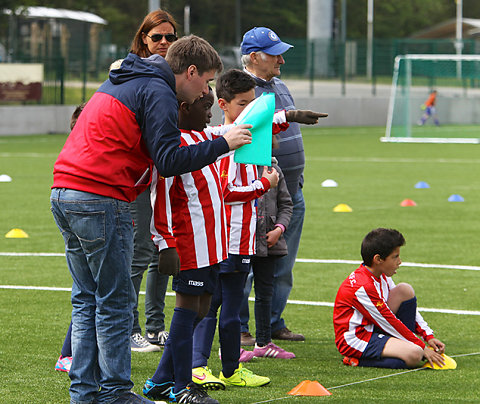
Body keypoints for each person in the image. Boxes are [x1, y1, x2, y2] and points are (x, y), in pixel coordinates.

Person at [50, 35, 252, 404]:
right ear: (190, 72)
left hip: (64, 190)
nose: (203, 92)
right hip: (101, 196)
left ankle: (83, 394)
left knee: (87, 300)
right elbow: (169, 159)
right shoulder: (158, 89)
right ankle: (113, 393)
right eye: (205, 82)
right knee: (114, 302)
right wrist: (225, 145)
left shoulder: (126, 77)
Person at [143, 88, 234, 403]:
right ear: (184, 108)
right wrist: (165, 242)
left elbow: (233, 128)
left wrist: (286, 117)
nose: (210, 113)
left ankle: (158, 381)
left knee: (202, 309)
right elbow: (162, 199)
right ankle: (182, 387)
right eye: (205, 106)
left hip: (211, 244)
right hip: (188, 245)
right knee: (186, 310)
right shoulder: (173, 146)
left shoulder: (202, 136)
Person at [240, 27, 328, 343]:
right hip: (258, 194)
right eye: (274, 53)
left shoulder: (278, 84)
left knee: (283, 264)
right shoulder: (243, 90)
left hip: (290, 192)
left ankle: (274, 323)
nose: (281, 59)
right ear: (254, 56)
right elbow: (251, 129)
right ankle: (241, 329)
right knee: (248, 265)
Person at [128, 8, 179, 353]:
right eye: (156, 36)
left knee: (163, 246)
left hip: (167, 172)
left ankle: (156, 326)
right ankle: (129, 327)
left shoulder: (173, 75)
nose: (163, 42)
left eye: (169, 37)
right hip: (139, 174)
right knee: (139, 249)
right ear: (143, 39)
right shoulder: (130, 72)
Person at [333, 228, 446, 369]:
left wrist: (428, 336)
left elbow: (396, 312)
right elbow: (387, 319)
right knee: (415, 355)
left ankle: (403, 346)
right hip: (357, 338)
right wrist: (420, 345)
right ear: (378, 259)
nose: (400, 261)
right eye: (395, 257)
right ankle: (354, 360)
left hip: (373, 328)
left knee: (405, 290)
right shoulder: (363, 287)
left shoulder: (382, 274)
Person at [244, 151, 295, 359]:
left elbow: (286, 205)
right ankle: (232, 339)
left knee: (265, 293)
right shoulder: (236, 167)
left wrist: (279, 229)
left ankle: (263, 342)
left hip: (268, 245)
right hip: (240, 244)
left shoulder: (274, 168)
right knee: (233, 291)